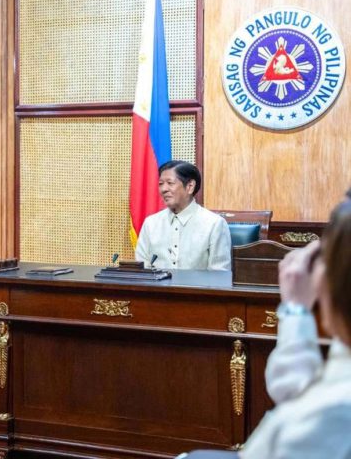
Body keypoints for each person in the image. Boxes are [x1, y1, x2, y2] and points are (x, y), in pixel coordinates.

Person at [238, 199, 351, 458]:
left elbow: (296, 415)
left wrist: (295, 307)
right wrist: (296, 312)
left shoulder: (329, 416)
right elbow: (297, 388)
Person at [135, 160, 231, 270]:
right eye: (160, 184)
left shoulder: (214, 224)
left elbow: (219, 274)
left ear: (190, 186)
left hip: (198, 287)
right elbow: (141, 269)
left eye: (170, 183)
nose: (163, 189)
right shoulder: (151, 223)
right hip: (156, 287)